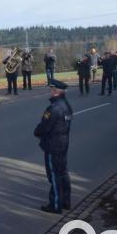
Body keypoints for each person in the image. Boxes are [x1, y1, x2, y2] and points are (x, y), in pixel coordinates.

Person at [33, 79, 73, 214]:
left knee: (54, 175)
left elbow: (44, 127)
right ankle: (66, 201)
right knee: (63, 172)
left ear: (56, 91)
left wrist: (37, 132)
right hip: (63, 143)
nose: (50, 92)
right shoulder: (66, 105)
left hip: (53, 145)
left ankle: (56, 204)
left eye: (51, 89)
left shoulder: (53, 108)